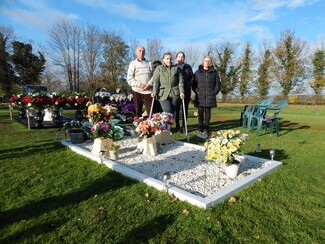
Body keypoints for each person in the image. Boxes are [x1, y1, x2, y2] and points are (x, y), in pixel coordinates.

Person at [192, 55, 221, 134]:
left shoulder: (214, 73)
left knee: (208, 112)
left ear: (210, 63)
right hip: (200, 96)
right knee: (200, 111)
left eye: (208, 61)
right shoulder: (197, 72)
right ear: (202, 62)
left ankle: (206, 127)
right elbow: (193, 84)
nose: (207, 62)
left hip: (210, 96)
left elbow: (218, 84)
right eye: (205, 61)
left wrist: (214, 92)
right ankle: (200, 126)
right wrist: (197, 91)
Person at [127, 46, 153, 119]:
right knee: (137, 111)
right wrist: (139, 85)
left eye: (143, 51)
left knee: (150, 112)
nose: (141, 52)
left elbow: (154, 77)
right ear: (136, 53)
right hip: (137, 90)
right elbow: (129, 79)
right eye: (140, 51)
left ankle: (150, 128)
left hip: (148, 91)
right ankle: (138, 128)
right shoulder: (132, 64)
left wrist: (149, 84)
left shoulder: (149, 63)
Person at [174, 51, 194, 133]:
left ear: (184, 58)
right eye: (179, 56)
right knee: (176, 109)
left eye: (182, 57)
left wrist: (189, 84)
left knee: (184, 109)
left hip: (186, 91)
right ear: (176, 58)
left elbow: (192, 78)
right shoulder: (173, 67)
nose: (180, 58)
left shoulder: (188, 67)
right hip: (176, 91)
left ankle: (184, 126)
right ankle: (177, 126)